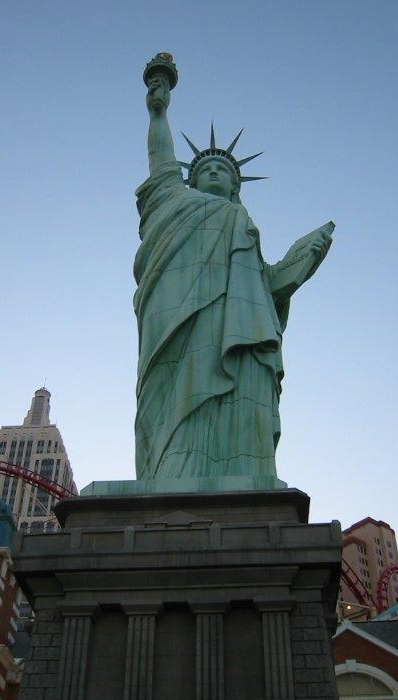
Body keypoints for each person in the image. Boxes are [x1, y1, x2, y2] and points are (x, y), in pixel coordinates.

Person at [134, 72, 333, 481]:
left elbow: (264, 287)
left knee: (238, 398)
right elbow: (161, 160)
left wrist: (301, 263)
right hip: (177, 323)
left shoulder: (241, 221)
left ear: (235, 186)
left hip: (237, 330)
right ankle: (174, 473)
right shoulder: (174, 200)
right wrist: (159, 112)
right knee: (177, 397)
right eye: (205, 168)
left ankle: (242, 475)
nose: (214, 173)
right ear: (190, 180)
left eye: (223, 170)